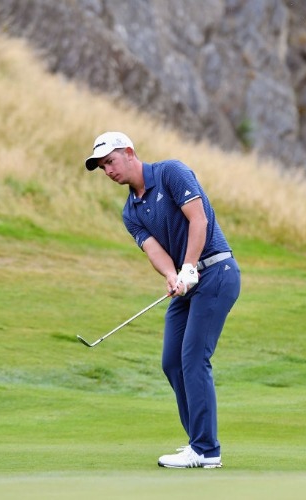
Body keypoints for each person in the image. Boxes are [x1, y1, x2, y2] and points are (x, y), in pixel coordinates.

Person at [85, 131, 241, 469]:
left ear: (129, 152)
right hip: (187, 282)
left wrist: (188, 267)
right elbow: (153, 250)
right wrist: (173, 277)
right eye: (102, 167)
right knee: (172, 361)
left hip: (216, 272)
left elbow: (198, 220)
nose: (108, 171)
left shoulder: (171, 172)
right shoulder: (131, 211)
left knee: (193, 358)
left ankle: (206, 451)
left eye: (110, 161)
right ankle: (197, 443)